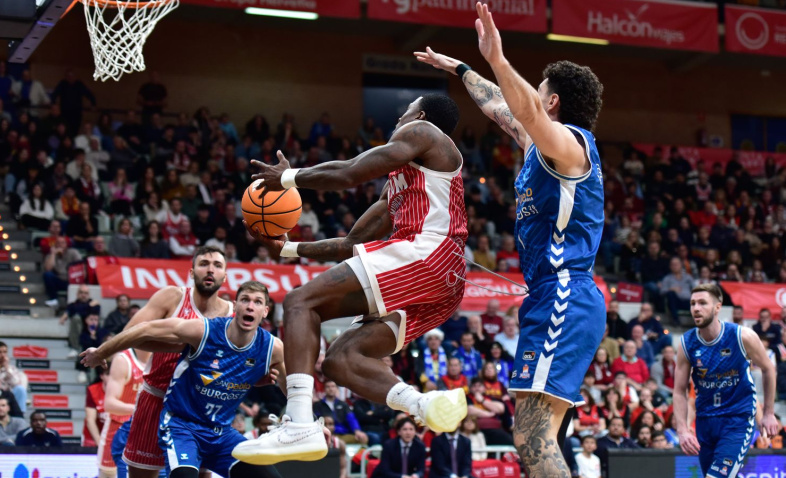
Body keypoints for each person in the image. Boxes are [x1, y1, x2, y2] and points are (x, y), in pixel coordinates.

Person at [415, 5, 605, 475]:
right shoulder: (538, 145)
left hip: (565, 293)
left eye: (540, 94)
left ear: (553, 102)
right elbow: (502, 107)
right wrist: (461, 68)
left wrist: (500, 58)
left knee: (532, 436)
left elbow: (525, 108)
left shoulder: (571, 145)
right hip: (549, 295)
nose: (530, 102)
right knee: (535, 433)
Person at [236, 93, 468, 464]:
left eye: (407, 109)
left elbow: (349, 172)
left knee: (299, 302)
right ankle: (425, 404)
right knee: (340, 360)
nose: (401, 116)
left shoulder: (424, 132)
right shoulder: (401, 184)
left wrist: (289, 177)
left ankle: (298, 424)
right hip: (443, 283)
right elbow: (353, 243)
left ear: (420, 115)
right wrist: (289, 249)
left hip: (428, 254)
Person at [81, 281, 286, 478]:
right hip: (182, 427)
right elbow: (145, 329)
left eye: (258, 302)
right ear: (236, 306)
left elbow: (292, 386)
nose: (250, 306)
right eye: (245, 300)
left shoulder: (272, 347)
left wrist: (310, 422)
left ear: (265, 311)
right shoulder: (203, 330)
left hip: (220, 433)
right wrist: (101, 352)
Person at [103, 246, 233, 478]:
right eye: (204, 264)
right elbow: (129, 333)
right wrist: (184, 343)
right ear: (192, 272)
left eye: (217, 265)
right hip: (156, 399)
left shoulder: (232, 314)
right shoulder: (172, 297)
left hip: (199, 409)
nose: (210, 270)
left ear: (225, 276)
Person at [674, 284, 778, 477]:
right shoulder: (686, 343)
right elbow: (679, 391)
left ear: (717, 307)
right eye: (692, 303)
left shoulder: (741, 335)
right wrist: (682, 429)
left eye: (702, 303)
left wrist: (769, 413)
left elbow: (768, 369)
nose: (696, 308)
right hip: (705, 421)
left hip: (737, 419)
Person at [98, 348, 149, 478]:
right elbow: (109, 404)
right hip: (117, 427)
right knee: (108, 474)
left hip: (143, 430)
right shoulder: (123, 360)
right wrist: (140, 409)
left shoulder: (163, 357)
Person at [313, 379, 368, 445]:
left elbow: (351, 418)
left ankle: (360, 455)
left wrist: (357, 431)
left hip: (343, 434)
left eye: (333, 386)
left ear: (337, 389)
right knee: (337, 443)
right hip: (325, 435)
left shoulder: (343, 404)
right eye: (328, 387)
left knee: (363, 438)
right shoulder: (318, 405)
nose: (331, 389)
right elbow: (316, 421)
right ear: (324, 389)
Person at [60, 284, 102, 357]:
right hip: (78, 331)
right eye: (81, 292)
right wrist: (88, 306)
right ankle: (75, 348)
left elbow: (94, 317)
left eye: (86, 293)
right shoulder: (73, 305)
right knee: (76, 318)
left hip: (90, 330)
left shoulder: (95, 304)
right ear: (77, 294)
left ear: (89, 294)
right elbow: (72, 311)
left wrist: (75, 311)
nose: (83, 295)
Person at [43, 236, 83, 307]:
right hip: (59, 280)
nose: (60, 245)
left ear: (66, 244)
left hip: (71, 280)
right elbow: (48, 268)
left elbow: (80, 265)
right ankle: (54, 299)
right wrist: (53, 254)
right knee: (47, 275)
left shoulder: (73, 252)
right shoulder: (51, 254)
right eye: (58, 243)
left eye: (62, 243)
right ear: (55, 245)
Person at [84, 367, 109, 447]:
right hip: (93, 437)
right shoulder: (93, 390)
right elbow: (90, 420)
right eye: (108, 374)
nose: (111, 377)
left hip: (113, 436)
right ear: (101, 376)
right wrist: (100, 443)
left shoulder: (124, 389)